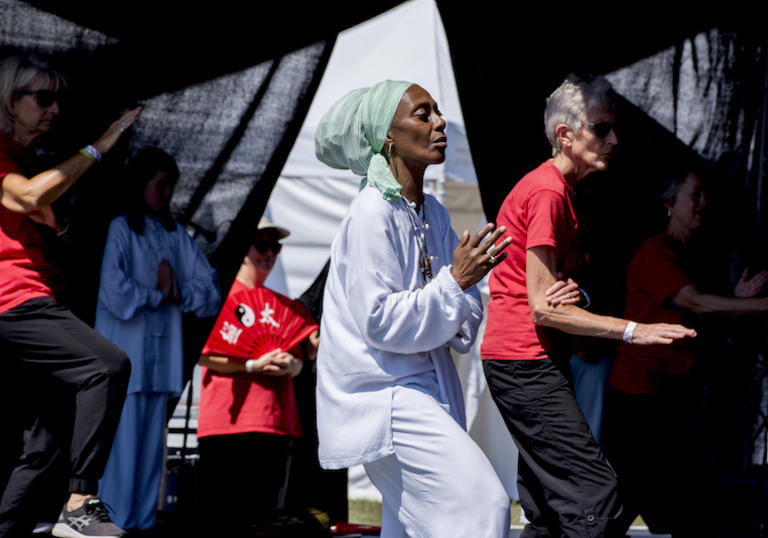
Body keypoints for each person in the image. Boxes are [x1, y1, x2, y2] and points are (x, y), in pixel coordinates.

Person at [480, 74, 697, 538]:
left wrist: (578, 298)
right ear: (565, 135)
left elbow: (554, 292)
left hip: (533, 360)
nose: (614, 139)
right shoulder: (548, 192)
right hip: (523, 361)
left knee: (549, 508)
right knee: (594, 500)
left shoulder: (566, 193)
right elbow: (542, 307)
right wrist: (635, 330)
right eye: (602, 128)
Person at [313, 79, 526, 538]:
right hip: (384, 397)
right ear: (388, 136)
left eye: (437, 112)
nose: (440, 122)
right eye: (423, 114)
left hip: (430, 391)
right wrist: (455, 283)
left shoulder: (432, 213)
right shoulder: (372, 213)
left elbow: (463, 319)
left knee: (410, 531)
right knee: (482, 506)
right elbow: (380, 321)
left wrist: (458, 287)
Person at [0, 54, 140, 538]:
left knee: (50, 435)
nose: (54, 109)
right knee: (108, 366)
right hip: (12, 302)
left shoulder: (30, 161)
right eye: (42, 98)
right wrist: (101, 144)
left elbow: (48, 224)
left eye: (57, 99)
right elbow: (27, 197)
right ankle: (80, 501)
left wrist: (58, 227)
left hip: (39, 296)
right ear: (9, 102)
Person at [602, 164, 768, 536]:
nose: (703, 203)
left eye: (704, 195)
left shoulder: (689, 253)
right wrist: (759, 306)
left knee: (678, 506)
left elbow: (696, 319)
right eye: (694, 196)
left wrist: (737, 300)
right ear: (669, 204)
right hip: (639, 400)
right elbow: (696, 304)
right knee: (622, 503)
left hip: (672, 398)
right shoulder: (654, 251)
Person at [94, 147, 222, 531]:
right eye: (161, 185)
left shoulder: (173, 234)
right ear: (140, 185)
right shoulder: (121, 228)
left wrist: (179, 292)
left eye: (171, 187)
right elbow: (115, 293)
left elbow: (210, 290)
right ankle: (112, 522)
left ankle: (141, 524)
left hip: (160, 359)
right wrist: (159, 294)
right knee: (121, 448)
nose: (168, 195)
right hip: (124, 356)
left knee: (151, 451)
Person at [196, 218, 319, 533]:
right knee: (224, 518)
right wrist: (251, 365)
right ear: (243, 247)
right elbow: (203, 355)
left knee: (265, 521)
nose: (269, 253)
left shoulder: (283, 306)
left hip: (275, 422)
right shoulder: (218, 294)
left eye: (274, 247)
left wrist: (294, 365)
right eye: (261, 245)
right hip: (228, 422)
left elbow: (306, 354)